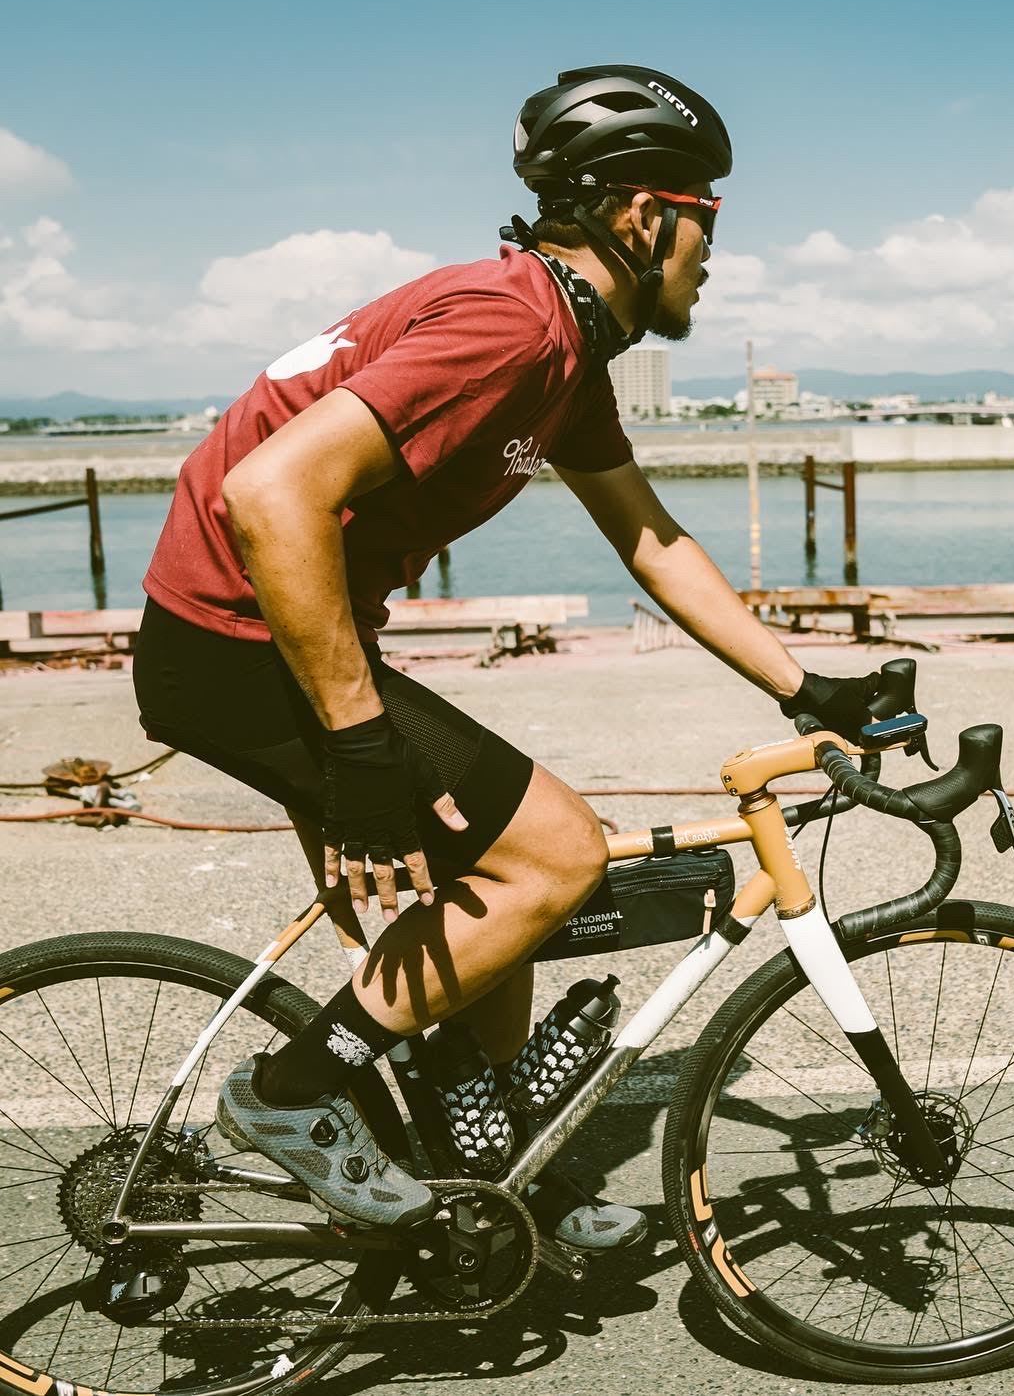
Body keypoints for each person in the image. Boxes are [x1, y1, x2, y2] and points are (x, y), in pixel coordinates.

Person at [132, 65, 879, 1245]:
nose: (714, 253)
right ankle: (290, 1099)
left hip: (260, 636)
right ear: (643, 216)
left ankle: (495, 1187)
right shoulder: (510, 328)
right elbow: (270, 495)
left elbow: (651, 539)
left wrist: (808, 685)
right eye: (709, 219)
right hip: (231, 645)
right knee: (557, 854)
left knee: (500, 891)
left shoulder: (565, 349)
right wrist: (359, 745)